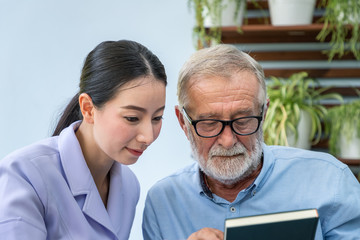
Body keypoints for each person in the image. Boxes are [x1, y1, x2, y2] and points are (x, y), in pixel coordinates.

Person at [142, 44, 360, 240]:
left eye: (244, 120)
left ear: (264, 113)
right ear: (183, 122)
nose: (228, 141)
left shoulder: (330, 181)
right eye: (209, 123)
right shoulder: (163, 203)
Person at [0, 40, 167, 239]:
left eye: (157, 118)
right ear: (88, 108)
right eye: (132, 118)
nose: (148, 137)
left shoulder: (128, 186)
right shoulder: (24, 174)